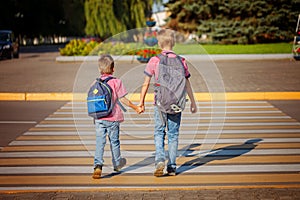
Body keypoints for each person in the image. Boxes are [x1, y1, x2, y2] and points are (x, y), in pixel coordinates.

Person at [138, 29, 197, 177]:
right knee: (173, 134)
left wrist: (141, 102)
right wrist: (193, 102)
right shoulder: (181, 61)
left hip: (159, 103)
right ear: (174, 43)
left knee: (159, 132)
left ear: (159, 43)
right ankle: (172, 166)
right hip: (177, 103)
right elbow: (187, 83)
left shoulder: (154, 60)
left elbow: (146, 83)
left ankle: (159, 160)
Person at [92, 54, 142, 179]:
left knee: (100, 142)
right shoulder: (116, 82)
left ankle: (98, 165)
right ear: (113, 69)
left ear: (100, 69)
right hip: (113, 118)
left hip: (99, 118)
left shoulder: (95, 82)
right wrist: (135, 107)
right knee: (114, 142)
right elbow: (123, 99)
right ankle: (117, 163)